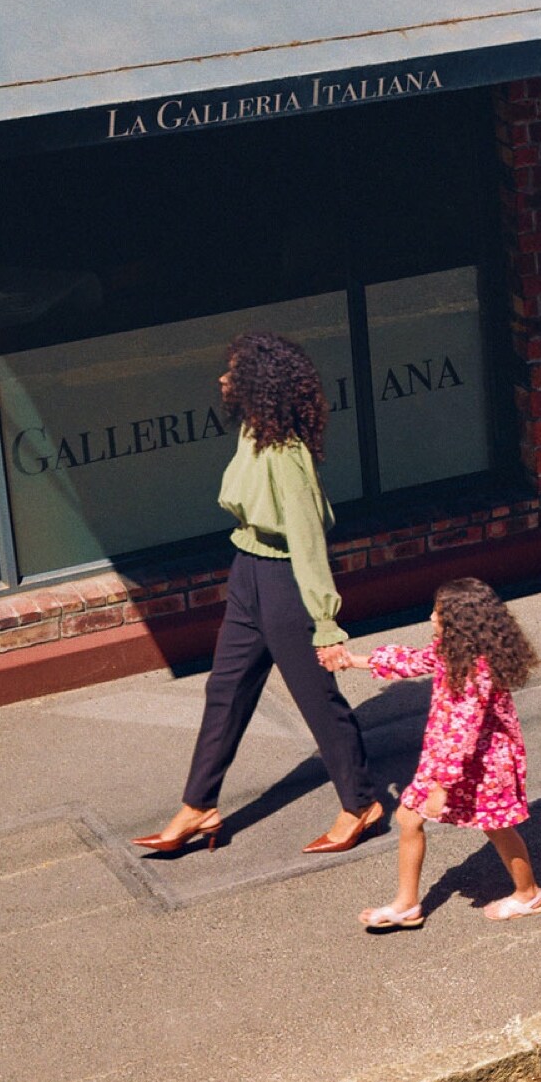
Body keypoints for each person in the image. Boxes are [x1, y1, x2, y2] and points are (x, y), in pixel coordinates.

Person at [133, 331, 385, 857]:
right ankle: (199, 805)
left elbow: (309, 539)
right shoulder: (253, 432)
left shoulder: (286, 454)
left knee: (318, 701)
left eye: (233, 372)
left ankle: (362, 803)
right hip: (247, 572)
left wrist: (326, 622)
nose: (222, 380)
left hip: (285, 580)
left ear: (258, 384)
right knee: (225, 690)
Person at [340, 578, 541, 930]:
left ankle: (528, 894)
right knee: (408, 817)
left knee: (497, 828)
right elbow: (413, 661)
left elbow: (463, 733)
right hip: (444, 762)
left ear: (461, 621)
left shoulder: (477, 670)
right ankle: (406, 905)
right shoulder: (453, 651)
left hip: (483, 766)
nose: (431, 617)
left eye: (439, 612)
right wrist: (351, 660)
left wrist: (442, 787)